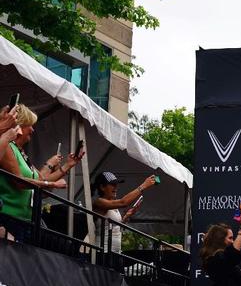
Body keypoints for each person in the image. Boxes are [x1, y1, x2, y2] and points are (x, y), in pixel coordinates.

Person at [0, 104, 83, 239]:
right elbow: (20, 182)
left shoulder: (21, 153)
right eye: (30, 125)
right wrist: (52, 185)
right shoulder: (7, 146)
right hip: (10, 219)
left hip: (24, 221)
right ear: (20, 126)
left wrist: (67, 165)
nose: (33, 130)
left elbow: (39, 179)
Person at [92, 171, 158, 253]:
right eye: (112, 185)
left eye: (116, 184)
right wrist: (143, 186)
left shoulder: (113, 204)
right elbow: (123, 202)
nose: (116, 187)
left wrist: (127, 216)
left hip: (115, 252)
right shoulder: (99, 202)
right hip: (103, 253)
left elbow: (115, 228)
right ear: (102, 187)